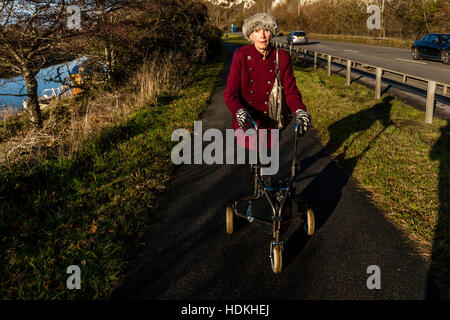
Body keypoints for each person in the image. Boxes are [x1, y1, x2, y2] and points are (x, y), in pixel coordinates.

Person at [223, 12, 311, 173]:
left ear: (273, 33)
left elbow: (291, 92)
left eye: (267, 30)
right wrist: (239, 111)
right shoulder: (241, 55)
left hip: (271, 121)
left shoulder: (282, 57)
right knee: (252, 164)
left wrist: (300, 111)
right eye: (257, 30)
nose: (262, 35)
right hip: (247, 120)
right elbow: (230, 93)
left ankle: (267, 184)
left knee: (268, 168)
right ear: (250, 34)